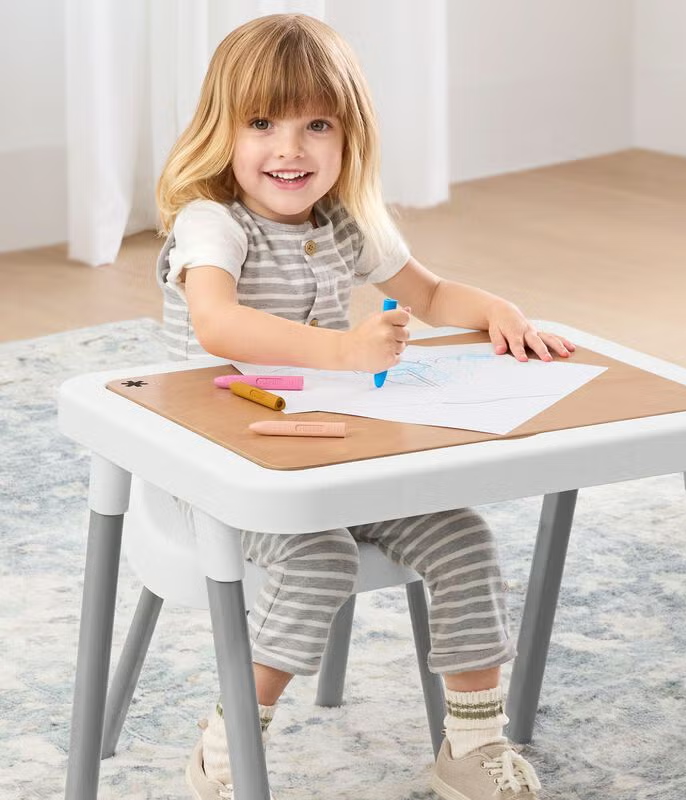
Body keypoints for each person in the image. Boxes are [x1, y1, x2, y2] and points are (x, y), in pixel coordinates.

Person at [155, 13, 575, 800]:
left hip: (332, 458)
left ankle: (472, 745)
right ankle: (231, 740)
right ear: (221, 130)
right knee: (320, 558)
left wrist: (498, 311)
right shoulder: (211, 223)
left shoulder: (344, 224)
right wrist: (344, 352)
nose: (291, 149)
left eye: (317, 125)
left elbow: (432, 294)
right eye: (262, 123)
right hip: (220, 471)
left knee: (465, 538)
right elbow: (217, 323)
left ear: (349, 136)